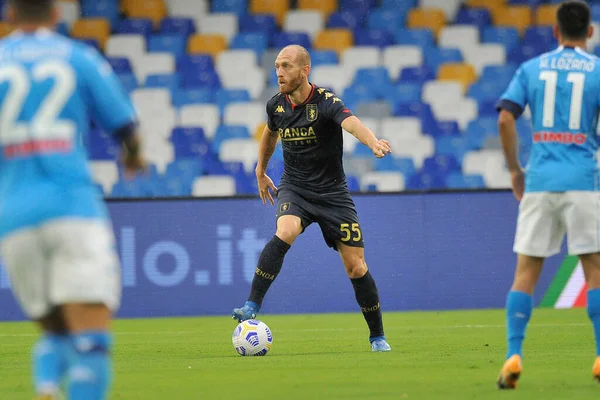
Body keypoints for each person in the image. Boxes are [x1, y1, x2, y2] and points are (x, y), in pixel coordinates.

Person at [0, 1, 144, 399]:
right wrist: (133, 156)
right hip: (71, 208)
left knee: (56, 331)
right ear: (55, 14)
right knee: (91, 338)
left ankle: (47, 384)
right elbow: (126, 128)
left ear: (10, 14)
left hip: (13, 215)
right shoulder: (77, 57)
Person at [231, 45, 393, 352]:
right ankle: (252, 305)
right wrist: (260, 170)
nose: (279, 72)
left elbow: (352, 123)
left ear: (305, 71)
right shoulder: (276, 106)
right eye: (277, 65)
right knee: (286, 230)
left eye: (287, 66)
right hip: (296, 188)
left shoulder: (327, 102)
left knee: (356, 267)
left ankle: (377, 337)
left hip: (333, 194)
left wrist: (372, 142)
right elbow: (270, 133)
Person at [495, 0, 600, 389]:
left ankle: (512, 356)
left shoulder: (532, 68)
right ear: (589, 33)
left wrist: (514, 170)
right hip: (584, 181)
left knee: (526, 273)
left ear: (555, 32)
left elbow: (506, 116)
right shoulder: (597, 71)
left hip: (539, 181)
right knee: (595, 271)